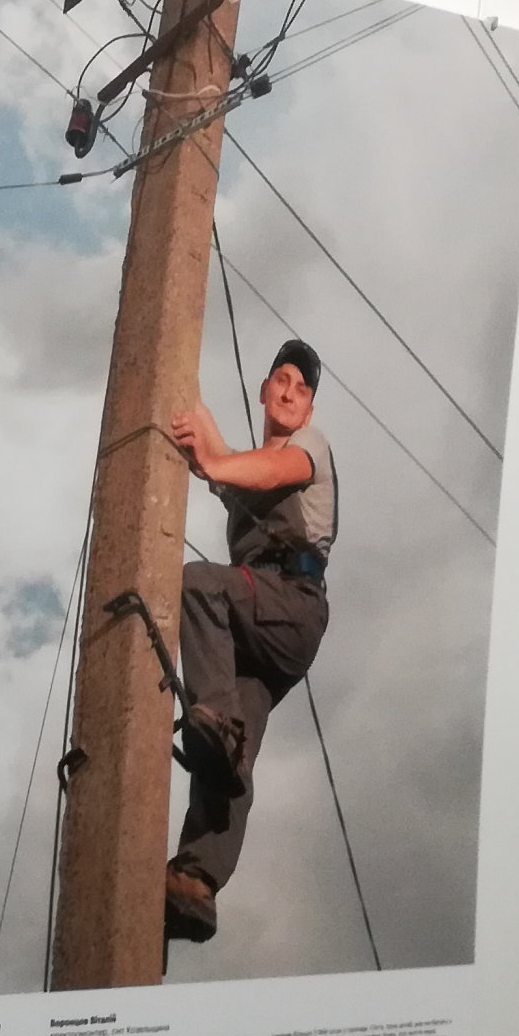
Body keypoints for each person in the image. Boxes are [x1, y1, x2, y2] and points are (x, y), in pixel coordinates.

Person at [158, 340, 337, 943]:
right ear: (264, 391)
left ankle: (217, 720)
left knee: (200, 584)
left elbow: (268, 470)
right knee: (233, 757)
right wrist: (198, 425)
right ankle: (196, 881)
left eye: (302, 389)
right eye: (281, 381)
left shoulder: (310, 446)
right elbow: (221, 460)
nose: (290, 393)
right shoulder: (248, 467)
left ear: (308, 409)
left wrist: (214, 462)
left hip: (291, 602)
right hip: (261, 629)